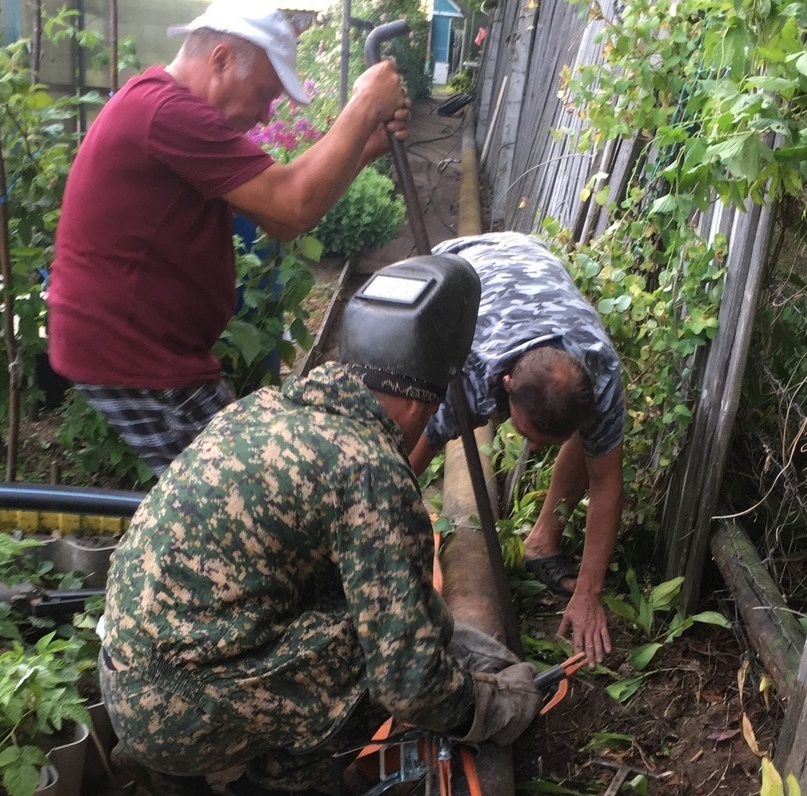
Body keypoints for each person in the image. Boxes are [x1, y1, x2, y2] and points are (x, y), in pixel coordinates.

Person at [98, 254, 543, 796]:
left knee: (355, 621)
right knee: (362, 655)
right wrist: (493, 706)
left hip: (124, 674)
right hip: (178, 716)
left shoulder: (262, 410)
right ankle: (282, 783)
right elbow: (407, 681)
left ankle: (192, 772)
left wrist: (444, 635)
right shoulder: (369, 469)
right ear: (417, 402)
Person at [46, 0, 411, 476]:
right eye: (263, 93)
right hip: (132, 356)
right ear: (219, 60)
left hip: (150, 352)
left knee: (235, 497)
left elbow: (280, 221)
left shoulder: (165, 107)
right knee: (239, 499)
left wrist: (364, 149)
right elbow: (291, 203)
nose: (264, 115)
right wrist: (363, 105)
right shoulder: (167, 112)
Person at [409, 231, 626, 669]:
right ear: (506, 386)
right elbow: (413, 453)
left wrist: (589, 592)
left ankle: (541, 542)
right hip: (456, 265)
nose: (533, 448)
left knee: (597, 446)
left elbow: (606, 482)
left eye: (548, 442)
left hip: (530, 259)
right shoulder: (465, 372)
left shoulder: (599, 373)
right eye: (530, 434)